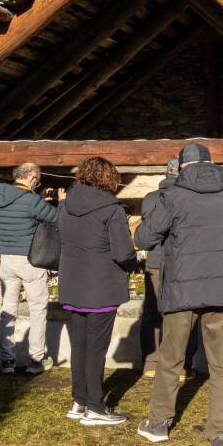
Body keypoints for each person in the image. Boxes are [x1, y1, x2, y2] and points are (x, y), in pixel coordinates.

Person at [134, 143, 223, 446]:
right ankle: (220, 436)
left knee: (170, 359)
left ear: (181, 166)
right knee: (222, 365)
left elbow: (143, 238)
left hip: (182, 289)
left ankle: (158, 424)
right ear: (211, 162)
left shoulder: (174, 194)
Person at [57, 157, 136, 426]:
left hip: (72, 283)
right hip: (101, 286)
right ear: (109, 178)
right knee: (96, 348)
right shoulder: (112, 209)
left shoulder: (65, 205)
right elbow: (124, 251)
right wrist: (133, 263)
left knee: (79, 346)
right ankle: (95, 407)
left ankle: (79, 401)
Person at [0, 162, 59, 375]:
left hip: (6, 259)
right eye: (37, 181)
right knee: (37, 309)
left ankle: (7, 361)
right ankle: (36, 359)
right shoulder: (32, 200)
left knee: (8, 310)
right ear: (31, 178)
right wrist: (60, 202)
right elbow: (56, 218)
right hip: (30, 260)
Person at [139, 158, 178, 379]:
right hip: (179, 264)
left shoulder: (149, 199)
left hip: (154, 261)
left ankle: (150, 363)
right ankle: (179, 365)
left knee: (151, 313)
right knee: (178, 313)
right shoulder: (187, 198)